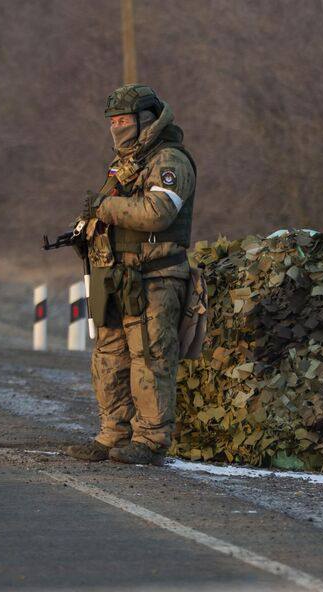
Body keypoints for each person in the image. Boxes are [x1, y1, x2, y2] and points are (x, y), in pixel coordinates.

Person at [63, 84, 196, 465]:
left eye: (123, 120)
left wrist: (104, 208)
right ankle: (112, 435)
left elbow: (157, 213)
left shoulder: (170, 160)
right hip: (113, 274)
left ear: (145, 120)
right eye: (113, 121)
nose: (116, 127)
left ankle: (151, 441)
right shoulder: (124, 163)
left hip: (154, 275)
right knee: (108, 356)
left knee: (151, 356)